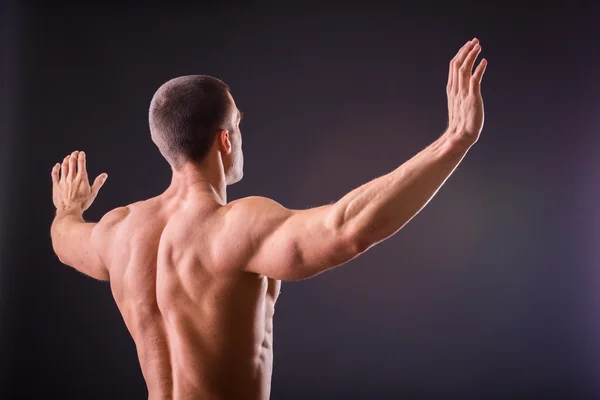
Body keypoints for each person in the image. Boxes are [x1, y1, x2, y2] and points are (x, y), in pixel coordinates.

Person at [50, 39, 487, 400]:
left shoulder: (118, 232)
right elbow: (347, 229)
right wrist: (453, 141)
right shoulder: (233, 227)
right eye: (238, 124)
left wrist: (69, 208)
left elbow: (64, 239)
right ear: (225, 139)